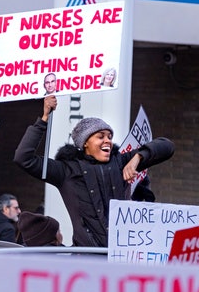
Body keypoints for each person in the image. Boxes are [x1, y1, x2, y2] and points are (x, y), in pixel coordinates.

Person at [13, 96, 175, 247]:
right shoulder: (66, 171)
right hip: (86, 257)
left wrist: (138, 157)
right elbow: (23, 158)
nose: (108, 140)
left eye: (110, 136)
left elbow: (167, 146)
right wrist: (43, 120)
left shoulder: (121, 162)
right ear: (85, 143)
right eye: (101, 136)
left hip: (122, 254)